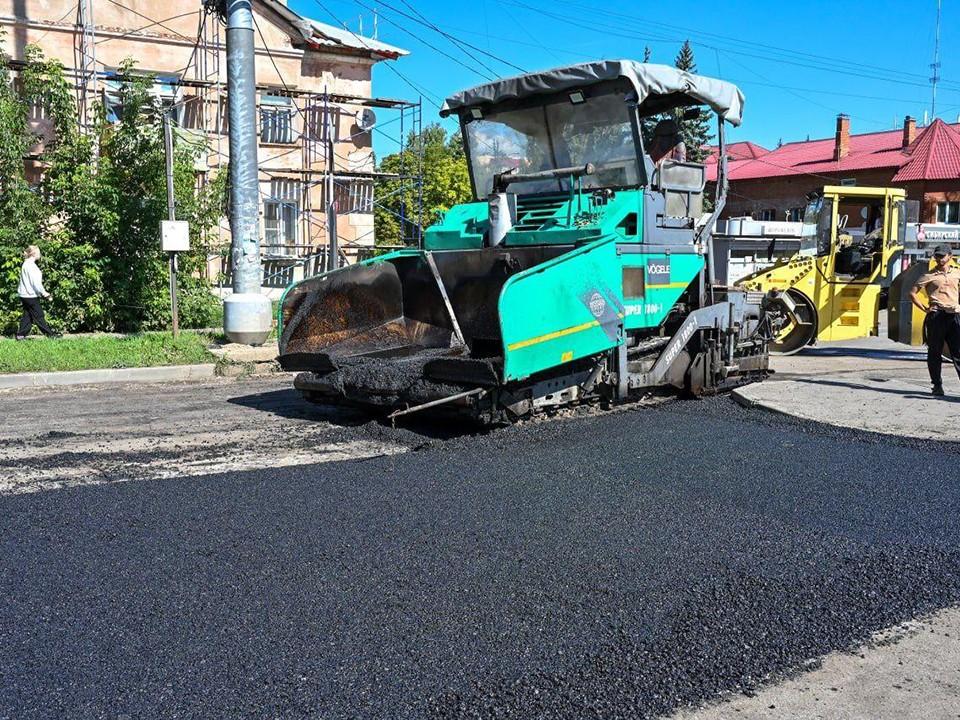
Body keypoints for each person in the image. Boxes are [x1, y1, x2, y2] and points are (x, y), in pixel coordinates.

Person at [910, 244, 960, 396]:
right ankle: (937, 385)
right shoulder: (928, 275)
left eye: (942, 256)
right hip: (937, 317)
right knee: (935, 352)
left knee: (958, 352)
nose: (939, 259)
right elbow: (912, 293)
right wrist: (925, 309)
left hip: (954, 317)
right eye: (937, 256)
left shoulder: (957, 273)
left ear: (950, 256)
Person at [16, 245, 58, 340]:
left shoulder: (26, 263)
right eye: (39, 253)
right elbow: (36, 283)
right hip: (30, 295)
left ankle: (20, 335)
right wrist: (45, 293)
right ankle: (50, 335)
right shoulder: (31, 266)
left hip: (24, 295)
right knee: (39, 315)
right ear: (34, 254)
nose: (40, 255)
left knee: (28, 315)